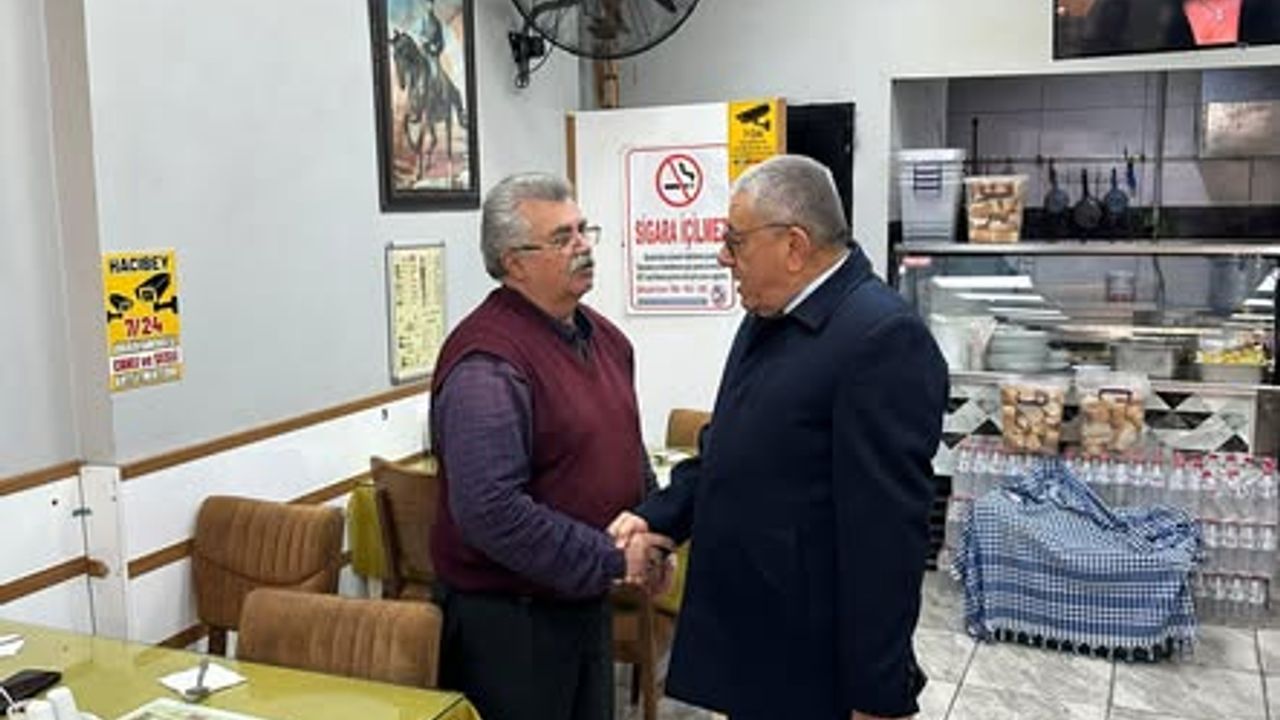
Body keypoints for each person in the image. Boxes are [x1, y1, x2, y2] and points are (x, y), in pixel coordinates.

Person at [610, 155, 949, 720]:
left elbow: (886, 541)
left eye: (734, 240)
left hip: (812, 666)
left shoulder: (882, 338)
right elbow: (729, 450)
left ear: (794, 246)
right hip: (758, 642)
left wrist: (878, 694)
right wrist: (660, 521)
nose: (722, 256)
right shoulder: (770, 315)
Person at [429, 172, 673, 720]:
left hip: (583, 603)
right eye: (562, 237)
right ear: (514, 262)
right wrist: (613, 558)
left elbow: (627, 446)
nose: (583, 246)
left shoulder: (605, 338)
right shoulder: (488, 363)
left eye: (583, 229)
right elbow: (491, 511)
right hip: (510, 627)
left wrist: (652, 530)